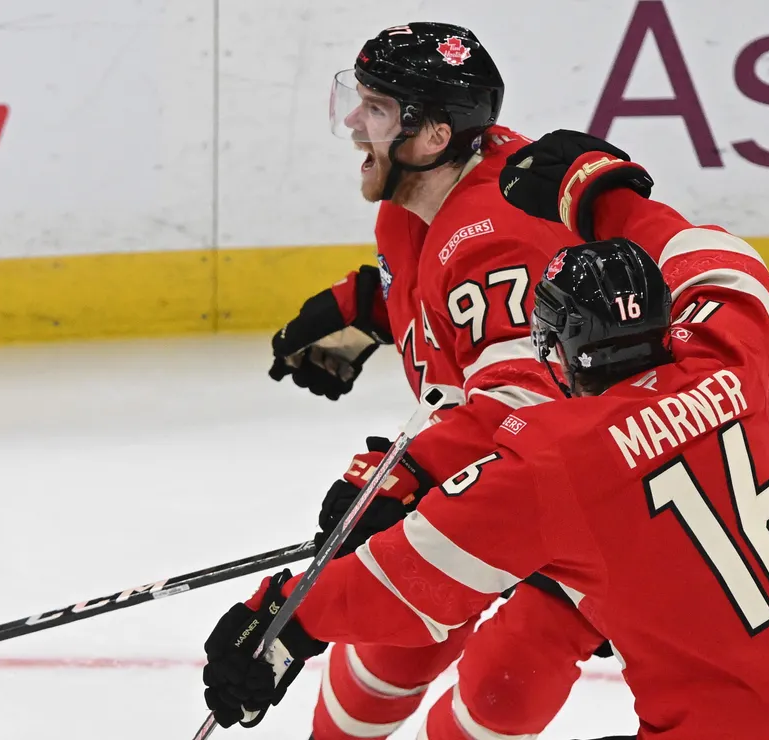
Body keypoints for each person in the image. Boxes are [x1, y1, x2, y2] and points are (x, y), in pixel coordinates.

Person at [200, 130, 769, 739]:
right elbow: (728, 267)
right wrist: (610, 200)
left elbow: (410, 578)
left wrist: (282, 617)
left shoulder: (557, 461)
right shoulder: (725, 366)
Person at [254, 23, 612, 740]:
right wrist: (374, 306)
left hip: (592, 503)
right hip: (492, 473)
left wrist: (407, 473)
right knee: (387, 656)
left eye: (377, 109)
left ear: (433, 135)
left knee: (499, 699)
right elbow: (478, 319)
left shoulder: (499, 232)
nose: (355, 122)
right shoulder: (419, 201)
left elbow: (525, 407)